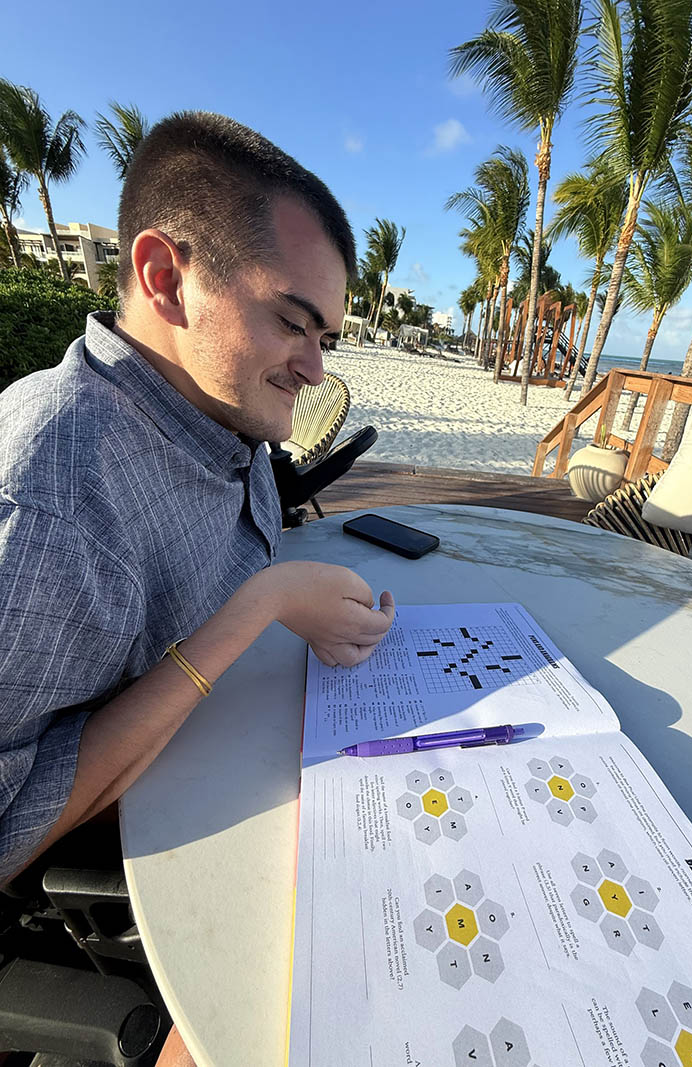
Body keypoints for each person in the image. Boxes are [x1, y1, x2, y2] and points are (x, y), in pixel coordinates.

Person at [0, 111, 395, 1063]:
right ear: (165, 278)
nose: (314, 364)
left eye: (327, 336)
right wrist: (259, 608)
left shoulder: (217, 410)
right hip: (137, 891)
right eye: (295, 321)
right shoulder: (54, 495)